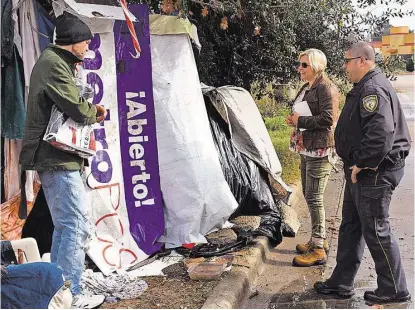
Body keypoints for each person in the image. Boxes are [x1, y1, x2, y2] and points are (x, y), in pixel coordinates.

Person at [19, 12, 107, 308]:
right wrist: (95, 111)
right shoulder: (53, 65)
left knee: (66, 226)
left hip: (59, 159)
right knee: (74, 224)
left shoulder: (56, 63)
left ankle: (58, 291)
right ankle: (72, 293)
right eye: (85, 43)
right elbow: (78, 109)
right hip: (56, 160)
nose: (87, 48)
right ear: (73, 42)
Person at [314, 41, 411, 303]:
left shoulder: (372, 88)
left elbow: (381, 133)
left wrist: (363, 163)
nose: (344, 67)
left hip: (373, 172)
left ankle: (394, 289)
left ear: (362, 61)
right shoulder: (365, 86)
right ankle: (342, 281)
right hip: (361, 171)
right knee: (351, 226)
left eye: (347, 61)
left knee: (377, 230)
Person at [286, 49, 339, 267]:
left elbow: (328, 119)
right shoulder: (308, 86)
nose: (299, 68)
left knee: (315, 198)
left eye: (304, 65)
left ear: (316, 66)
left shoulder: (326, 88)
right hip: (307, 148)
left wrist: (301, 121)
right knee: (309, 195)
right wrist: (295, 120)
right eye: (300, 64)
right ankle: (319, 239)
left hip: (319, 150)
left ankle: (318, 249)